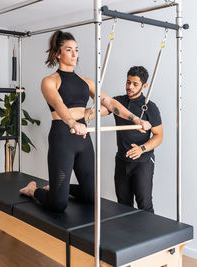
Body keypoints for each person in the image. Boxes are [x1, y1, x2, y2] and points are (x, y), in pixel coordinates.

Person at [19, 31, 151, 212]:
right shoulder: (50, 81)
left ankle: (58, 190)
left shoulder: (86, 82)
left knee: (91, 196)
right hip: (63, 137)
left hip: (83, 139)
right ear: (58, 54)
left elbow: (110, 103)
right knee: (58, 205)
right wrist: (73, 123)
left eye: (76, 50)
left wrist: (137, 119)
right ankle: (33, 190)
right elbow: (59, 105)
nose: (75, 54)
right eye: (69, 50)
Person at [109, 66, 163, 213]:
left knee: (144, 205)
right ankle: (128, 236)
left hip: (142, 163)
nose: (130, 87)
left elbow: (159, 136)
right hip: (122, 161)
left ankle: (147, 235)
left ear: (144, 86)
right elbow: (101, 109)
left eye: (135, 84)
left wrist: (142, 149)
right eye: (128, 82)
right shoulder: (118, 102)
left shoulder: (149, 107)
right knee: (123, 205)